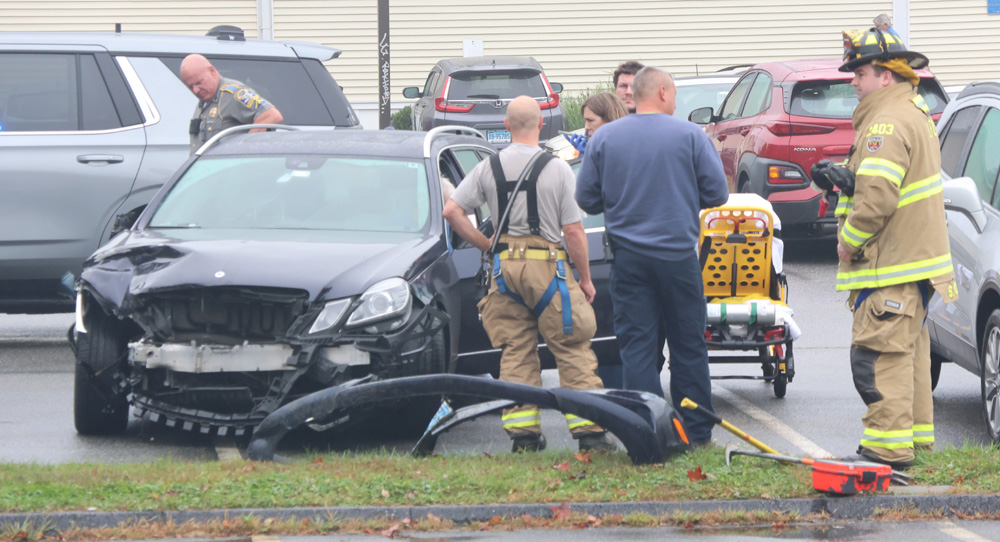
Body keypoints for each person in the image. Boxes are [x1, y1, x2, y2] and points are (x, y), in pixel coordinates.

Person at [815, 27, 957, 469]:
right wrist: (846, 178)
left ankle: (887, 452)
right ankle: (914, 444)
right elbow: (885, 182)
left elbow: (878, 200)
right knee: (907, 357)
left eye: (859, 72)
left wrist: (847, 241)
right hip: (914, 265)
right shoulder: (912, 113)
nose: (852, 82)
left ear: (887, 76)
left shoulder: (885, 122)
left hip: (890, 264)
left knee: (876, 358)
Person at [443, 96, 616, 454]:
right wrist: (584, 279)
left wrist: (486, 244)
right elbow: (573, 232)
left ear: (506, 126)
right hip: (548, 269)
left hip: (503, 271)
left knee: (516, 350)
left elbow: (452, 210)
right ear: (541, 125)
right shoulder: (557, 169)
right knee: (571, 346)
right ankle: (591, 436)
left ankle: (524, 437)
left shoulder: (488, 167)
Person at [575, 67, 729, 446]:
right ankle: (695, 429)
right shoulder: (691, 136)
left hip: (629, 260)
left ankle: (646, 428)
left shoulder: (605, 138)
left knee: (638, 347)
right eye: (674, 94)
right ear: (661, 92)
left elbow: (586, 199)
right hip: (679, 258)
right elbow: (718, 195)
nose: (675, 102)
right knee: (688, 344)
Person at [181, 54, 283, 153]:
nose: (195, 90)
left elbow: (271, 115)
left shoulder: (233, 94)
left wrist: (242, 150)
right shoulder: (203, 104)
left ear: (211, 71)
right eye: (190, 86)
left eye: (199, 82)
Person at [563, 92, 628, 156]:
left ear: (609, 120)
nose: (586, 127)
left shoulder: (627, 149)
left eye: (590, 120)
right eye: (585, 120)